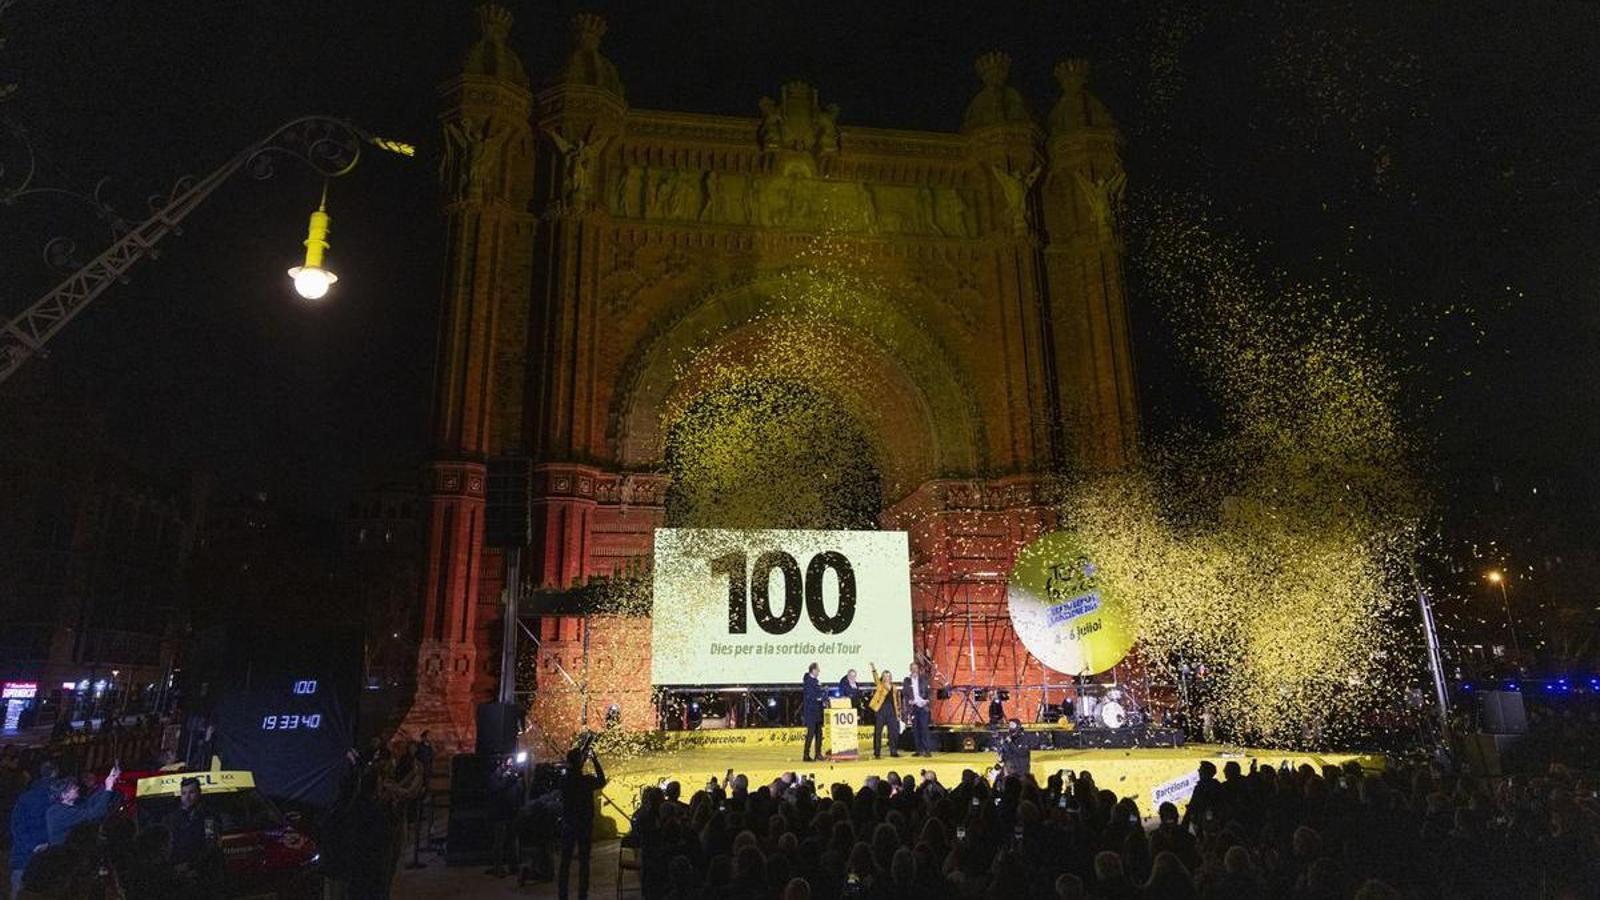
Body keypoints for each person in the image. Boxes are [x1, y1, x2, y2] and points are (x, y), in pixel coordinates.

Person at [558, 741, 606, 900]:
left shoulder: (565, 780)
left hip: (568, 823)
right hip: (583, 825)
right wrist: (594, 760)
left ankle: (562, 895)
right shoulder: (586, 781)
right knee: (584, 864)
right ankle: (582, 896)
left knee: (565, 863)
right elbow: (602, 781)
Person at [8, 759, 56, 896]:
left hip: (24, 854)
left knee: (19, 888)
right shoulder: (59, 796)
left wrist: (30, 845)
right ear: (55, 773)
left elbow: (16, 826)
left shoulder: (26, 796)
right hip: (48, 853)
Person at [44, 765, 120, 846]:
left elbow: (89, 803)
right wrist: (108, 789)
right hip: (64, 854)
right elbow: (96, 813)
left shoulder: (63, 808)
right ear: (64, 795)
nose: (77, 788)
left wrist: (108, 782)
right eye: (72, 788)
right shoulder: (60, 812)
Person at [868, 666, 900, 759]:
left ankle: (893, 751)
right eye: (885, 676)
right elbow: (876, 678)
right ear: (883, 677)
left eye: (888, 676)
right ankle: (877, 752)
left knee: (893, 732)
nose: (887, 677)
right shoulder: (880, 685)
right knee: (878, 732)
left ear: (890, 677)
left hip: (891, 712)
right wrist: (874, 669)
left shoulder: (894, 687)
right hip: (881, 711)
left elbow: (896, 701)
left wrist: (897, 713)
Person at [903, 662, 934, 757]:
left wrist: (927, 700)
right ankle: (918, 750)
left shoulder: (924, 679)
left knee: (924, 729)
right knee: (915, 729)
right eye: (912, 668)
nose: (914, 670)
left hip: (923, 707)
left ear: (918, 669)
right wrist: (909, 701)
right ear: (910, 669)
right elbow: (905, 694)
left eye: (915, 668)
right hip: (913, 708)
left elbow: (930, 692)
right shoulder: (907, 681)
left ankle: (927, 750)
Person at [801, 663, 825, 763]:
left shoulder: (815, 681)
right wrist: (820, 697)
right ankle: (806, 755)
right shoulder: (808, 682)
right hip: (811, 712)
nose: (819, 672)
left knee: (819, 734)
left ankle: (818, 753)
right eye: (818, 670)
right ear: (813, 670)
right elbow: (812, 696)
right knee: (810, 734)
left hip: (818, 711)